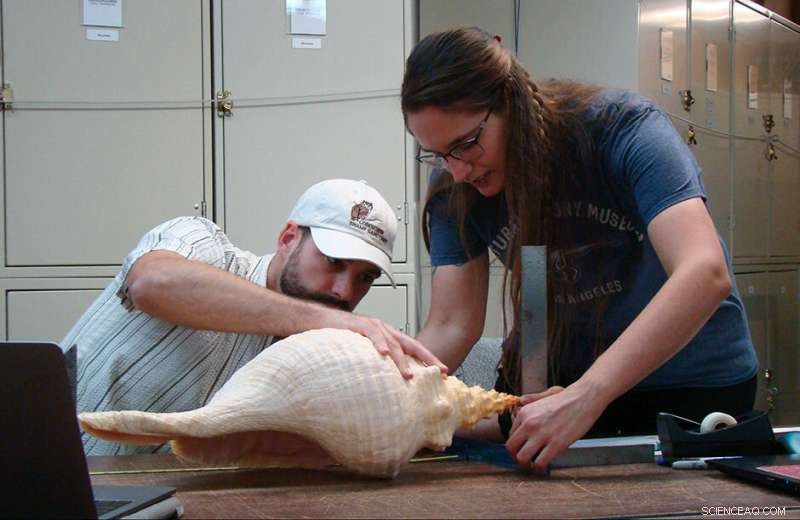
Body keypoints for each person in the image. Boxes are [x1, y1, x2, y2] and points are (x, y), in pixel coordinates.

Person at [401, 27, 757, 472]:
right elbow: (451, 324)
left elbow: (704, 272)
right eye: (436, 154)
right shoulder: (456, 186)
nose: (456, 171)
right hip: (570, 392)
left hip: (689, 384)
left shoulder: (621, 128)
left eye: (466, 144)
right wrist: (392, 400)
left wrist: (589, 393)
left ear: (509, 102)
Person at [65, 178, 446, 455]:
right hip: (44, 463)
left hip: (160, 497)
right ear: (287, 238)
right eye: (333, 261)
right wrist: (319, 319)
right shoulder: (203, 244)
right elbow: (151, 283)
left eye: (366, 277)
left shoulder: (314, 352)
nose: (345, 293)